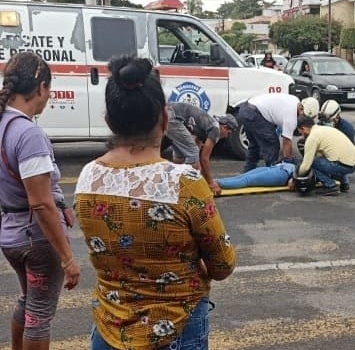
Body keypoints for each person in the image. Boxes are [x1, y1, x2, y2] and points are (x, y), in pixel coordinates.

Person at [74, 56, 236, 350]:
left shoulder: (88, 178)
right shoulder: (184, 183)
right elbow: (222, 264)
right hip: (176, 330)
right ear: (164, 118)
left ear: (109, 120)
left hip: (108, 330)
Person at [0, 52, 80, 350]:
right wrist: (68, 257)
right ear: (41, 88)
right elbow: (41, 203)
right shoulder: (28, 133)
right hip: (36, 239)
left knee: (29, 301)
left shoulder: (3, 124)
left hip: (11, 234)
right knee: (40, 314)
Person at [165, 102, 238, 195]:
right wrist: (211, 183)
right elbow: (204, 158)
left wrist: (204, 178)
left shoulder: (206, 125)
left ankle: (169, 184)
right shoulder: (215, 129)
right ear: (225, 127)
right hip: (173, 117)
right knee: (193, 153)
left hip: (167, 114)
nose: (226, 137)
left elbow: (198, 151)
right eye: (228, 133)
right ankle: (188, 189)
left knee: (181, 156)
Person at [237, 93, 304, 172]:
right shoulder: (291, 119)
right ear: (300, 110)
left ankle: (247, 171)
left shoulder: (295, 100)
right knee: (272, 145)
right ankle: (273, 173)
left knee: (255, 145)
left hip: (245, 109)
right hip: (255, 114)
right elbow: (287, 143)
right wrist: (289, 165)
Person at [297, 116, 355, 195]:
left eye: (301, 132)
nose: (302, 135)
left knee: (312, 163)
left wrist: (297, 177)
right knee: (328, 159)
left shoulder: (312, 138)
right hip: (353, 163)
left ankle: (331, 186)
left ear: (304, 128)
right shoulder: (324, 129)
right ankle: (344, 184)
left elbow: (306, 166)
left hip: (343, 165)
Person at [216, 161, 296, 189]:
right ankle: (215, 181)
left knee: (247, 179)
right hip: (277, 167)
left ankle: (217, 183)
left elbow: (292, 183)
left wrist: (293, 179)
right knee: (243, 176)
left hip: (283, 174)